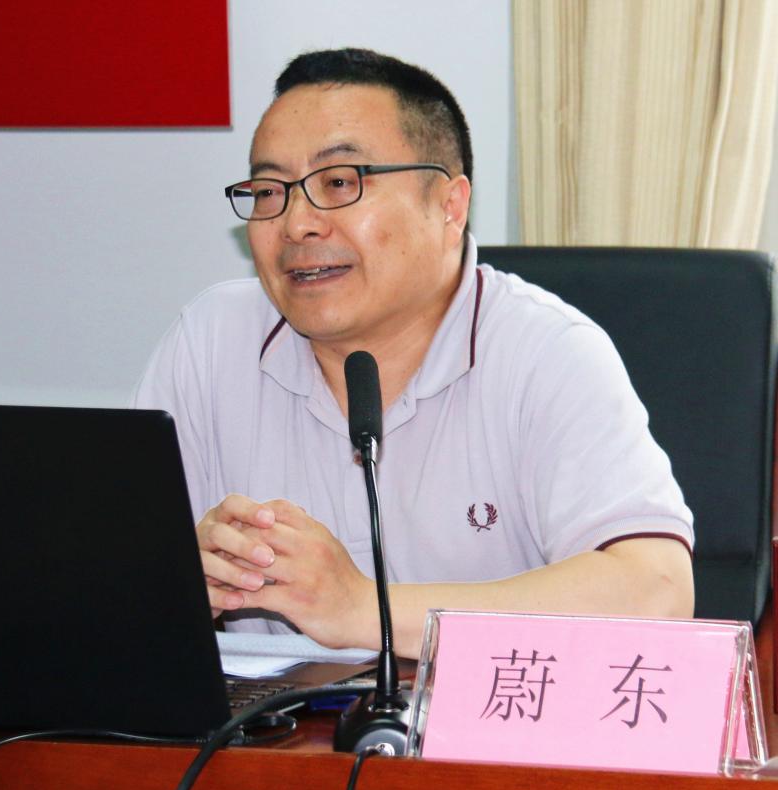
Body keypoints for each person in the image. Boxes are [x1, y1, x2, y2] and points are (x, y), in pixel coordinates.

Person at [133, 48, 694, 660]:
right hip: (271, 720)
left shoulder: (546, 352)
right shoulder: (211, 341)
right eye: (269, 192)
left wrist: (361, 608)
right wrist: (178, 584)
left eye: (339, 183)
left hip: (483, 715)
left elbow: (657, 592)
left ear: (450, 207)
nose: (296, 224)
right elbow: (110, 584)